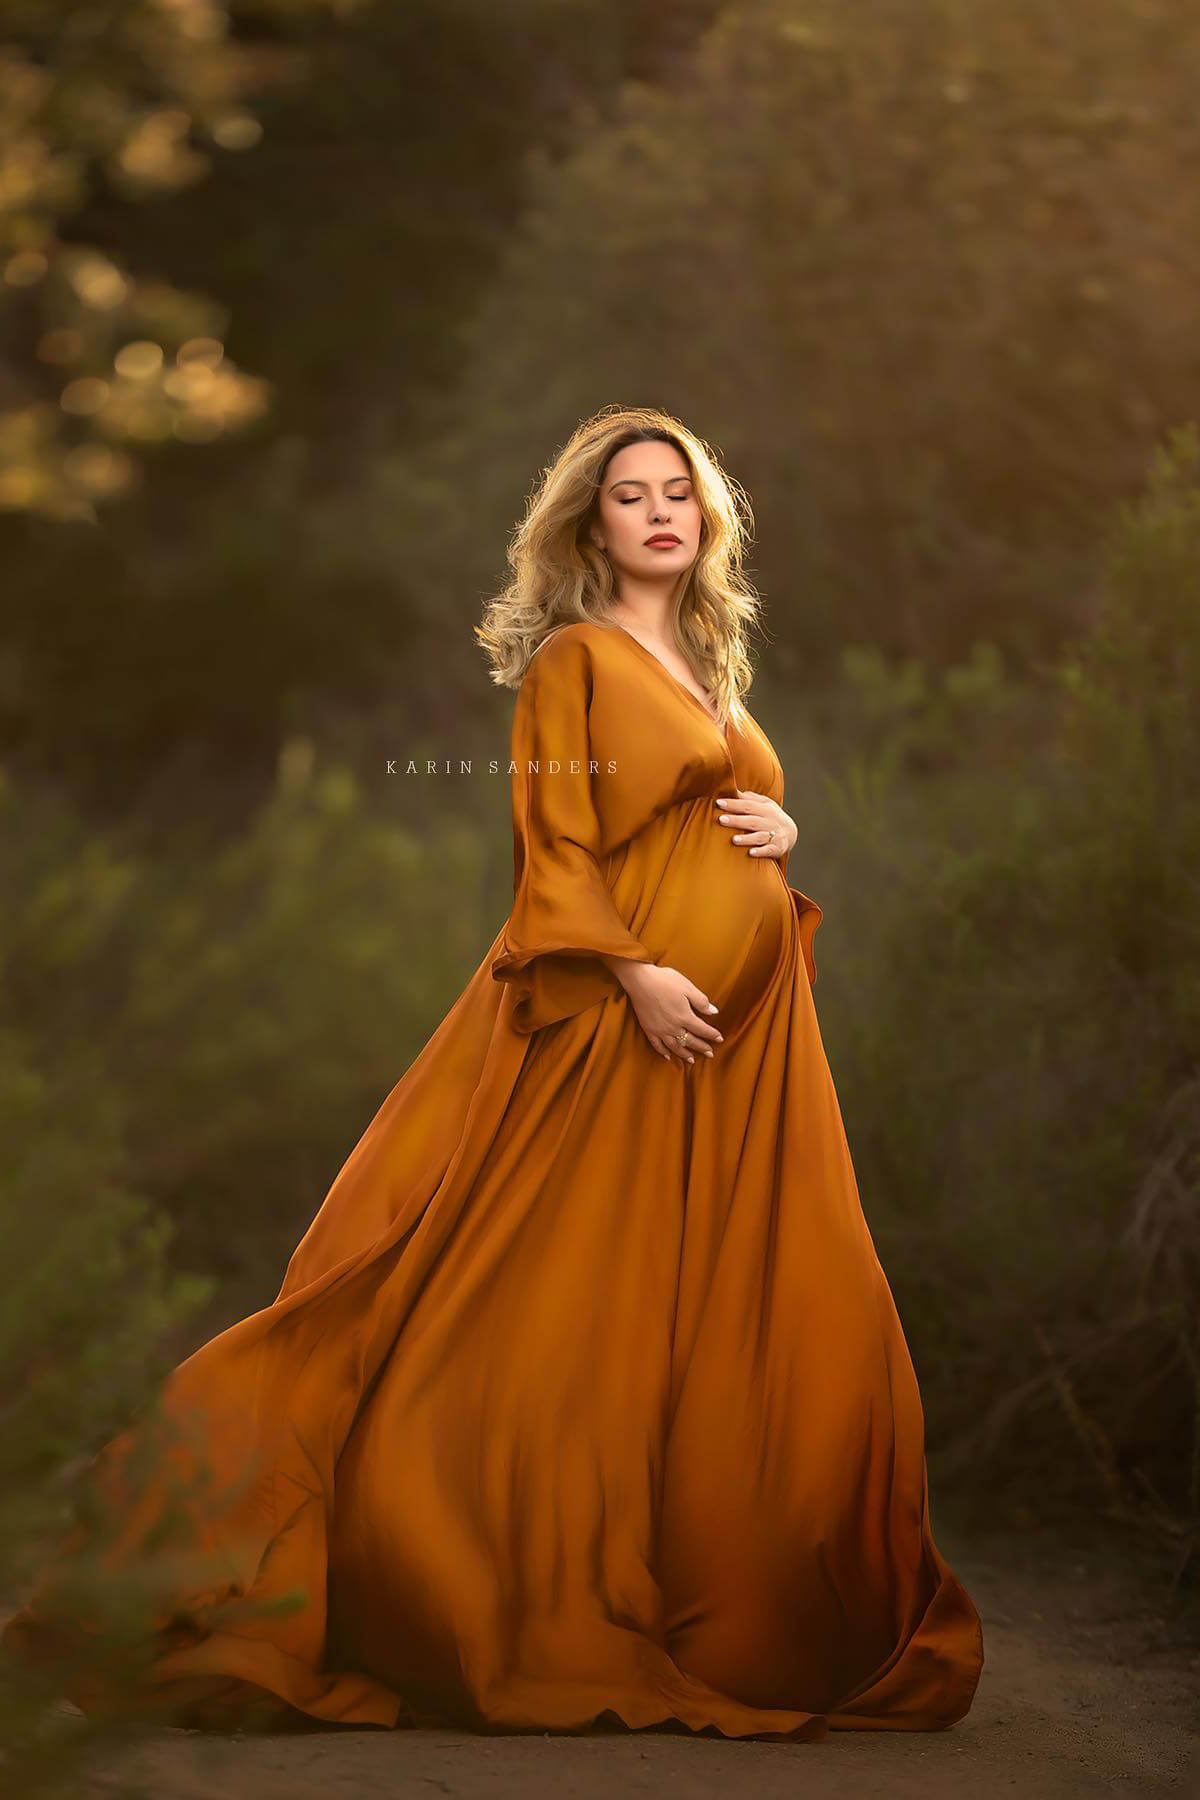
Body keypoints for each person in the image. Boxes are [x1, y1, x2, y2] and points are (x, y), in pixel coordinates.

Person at [3, 406, 984, 1741]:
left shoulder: (706, 661)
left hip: (740, 1060)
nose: (659, 512)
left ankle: (710, 1581)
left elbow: (710, 820)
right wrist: (633, 973)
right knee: (540, 1297)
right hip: (609, 1025)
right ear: (588, 524)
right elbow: (555, 845)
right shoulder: (575, 662)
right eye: (630, 494)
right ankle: (458, 1572)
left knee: (719, 1314)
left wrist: (782, 825)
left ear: (706, 522)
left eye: (679, 493)